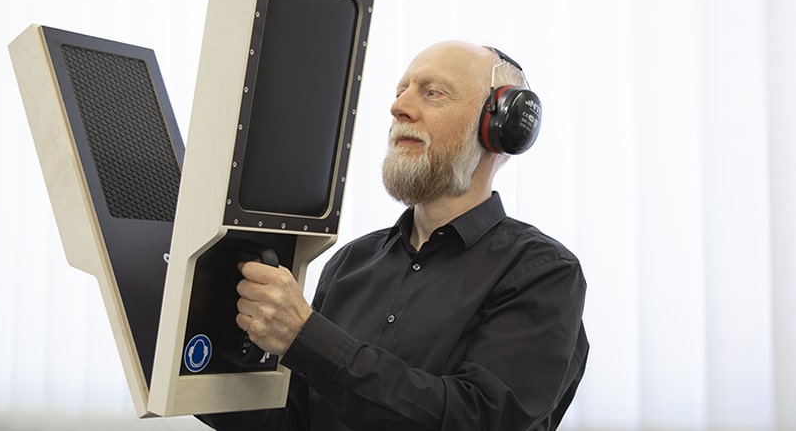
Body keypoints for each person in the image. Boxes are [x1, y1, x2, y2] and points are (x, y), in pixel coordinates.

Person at [199, 41, 588, 430]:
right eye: (401, 91)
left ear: (500, 127)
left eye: (433, 93)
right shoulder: (351, 263)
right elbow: (299, 420)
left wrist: (306, 337)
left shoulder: (542, 273)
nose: (399, 107)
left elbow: (476, 419)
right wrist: (190, 353)